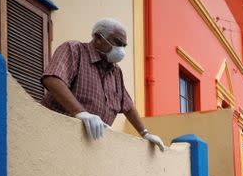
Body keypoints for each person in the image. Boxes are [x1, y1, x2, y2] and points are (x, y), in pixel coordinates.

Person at [41, 18, 165, 149]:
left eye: (124, 45)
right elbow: (53, 79)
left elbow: (128, 106)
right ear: (98, 38)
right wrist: (80, 112)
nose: (121, 49)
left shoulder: (116, 71)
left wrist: (145, 133)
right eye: (118, 43)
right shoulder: (74, 50)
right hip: (55, 138)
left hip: (91, 146)